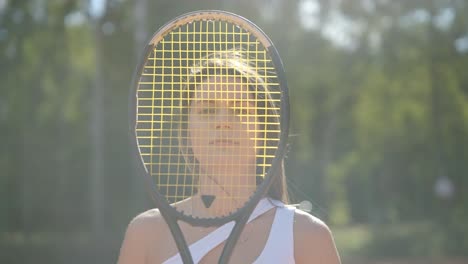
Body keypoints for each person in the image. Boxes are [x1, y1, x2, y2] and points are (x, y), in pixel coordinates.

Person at [118, 51, 341, 264]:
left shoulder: (308, 237)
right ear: (187, 130)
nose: (223, 121)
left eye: (240, 109)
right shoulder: (145, 234)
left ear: (264, 130)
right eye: (207, 110)